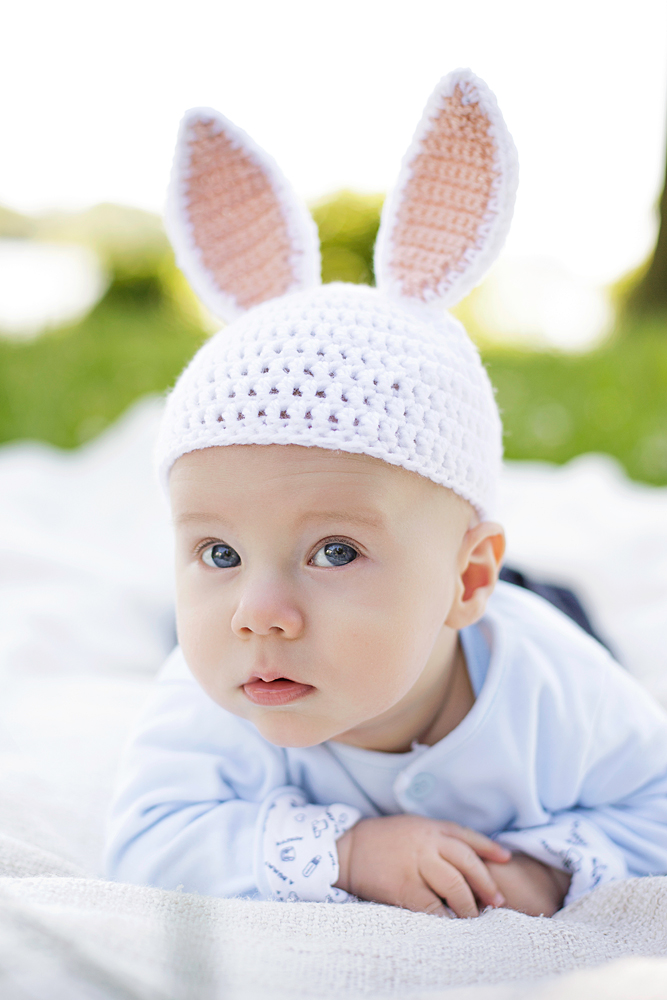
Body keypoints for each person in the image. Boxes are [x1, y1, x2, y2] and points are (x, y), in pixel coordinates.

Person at [105, 70, 667, 919]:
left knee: (558, 606)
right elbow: (146, 842)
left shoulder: (562, 695)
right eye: (216, 552)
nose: (260, 614)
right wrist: (345, 852)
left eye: (336, 550)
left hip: (517, 622)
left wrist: (548, 870)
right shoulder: (212, 693)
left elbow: (652, 813)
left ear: (466, 578)